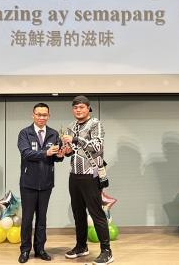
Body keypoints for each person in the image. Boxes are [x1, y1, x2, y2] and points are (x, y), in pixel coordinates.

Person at [62, 95, 113, 265]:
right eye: (75, 107)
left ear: (88, 108)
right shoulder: (70, 126)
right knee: (78, 213)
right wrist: (66, 150)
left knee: (96, 213)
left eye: (81, 107)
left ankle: (107, 251)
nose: (78, 110)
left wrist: (76, 139)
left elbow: (97, 147)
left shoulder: (95, 123)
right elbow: (72, 151)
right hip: (74, 175)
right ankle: (81, 246)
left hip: (91, 174)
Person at [17, 103, 64, 263]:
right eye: (39, 114)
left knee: (42, 218)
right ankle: (25, 250)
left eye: (45, 115)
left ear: (48, 116)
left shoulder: (54, 133)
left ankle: (40, 249)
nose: (42, 117)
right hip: (28, 183)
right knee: (27, 219)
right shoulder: (25, 133)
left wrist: (60, 155)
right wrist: (46, 153)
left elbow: (56, 157)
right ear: (33, 115)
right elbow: (26, 153)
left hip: (46, 183)